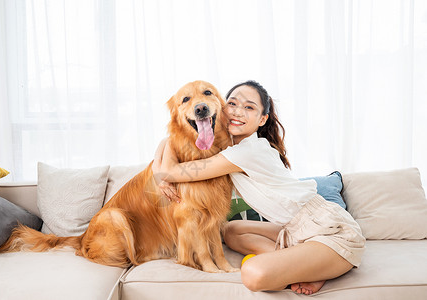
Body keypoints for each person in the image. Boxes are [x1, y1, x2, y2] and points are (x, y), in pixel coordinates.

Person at [152, 80, 365, 295]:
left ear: (262, 119)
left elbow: (170, 171)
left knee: (253, 272)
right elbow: (175, 152)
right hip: (296, 230)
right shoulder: (232, 147)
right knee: (231, 231)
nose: (238, 112)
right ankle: (305, 264)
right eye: (233, 104)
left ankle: (313, 268)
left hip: (332, 232)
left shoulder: (245, 152)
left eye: (249, 107)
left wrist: (161, 167)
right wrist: (167, 146)